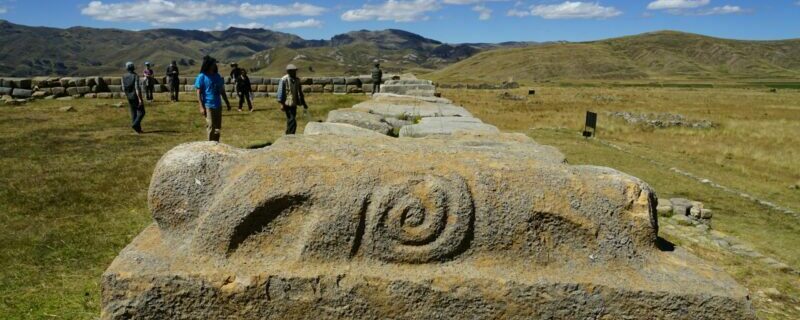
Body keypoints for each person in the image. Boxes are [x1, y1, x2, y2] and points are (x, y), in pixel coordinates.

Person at [195, 56, 231, 142]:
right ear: (208, 65)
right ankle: (210, 145)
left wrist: (227, 103)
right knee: (211, 126)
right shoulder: (201, 77)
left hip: (218, 105)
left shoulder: (217, 76)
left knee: (217, 127)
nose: (215, 65)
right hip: (208, 105)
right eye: (213, 64)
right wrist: (201, 106)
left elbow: (222, 91)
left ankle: (216, 143)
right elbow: (198, 93)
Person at [276, 64, 308, 135]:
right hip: (287, 103)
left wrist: (304, 103)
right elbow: (280, 92)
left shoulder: (297, 80)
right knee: (292, 120)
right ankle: (291, 135)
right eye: (293, 71)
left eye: (295, 71)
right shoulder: (284, 79)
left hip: (294, 103)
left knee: (290, 119)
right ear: (289, 72)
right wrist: (281, 104)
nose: (295, 73)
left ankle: (288, 134)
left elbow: (300, 92)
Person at [122, 62, 145, 134]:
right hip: (135, 96)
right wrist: (140, 99)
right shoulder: (135, 76)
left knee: (133, 112)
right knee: (142, 112)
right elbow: (137, 88)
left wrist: (128, 95)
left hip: (129, 96)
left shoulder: (123, 76)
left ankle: (137, 130)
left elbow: (123, 88)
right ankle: (135, 125)